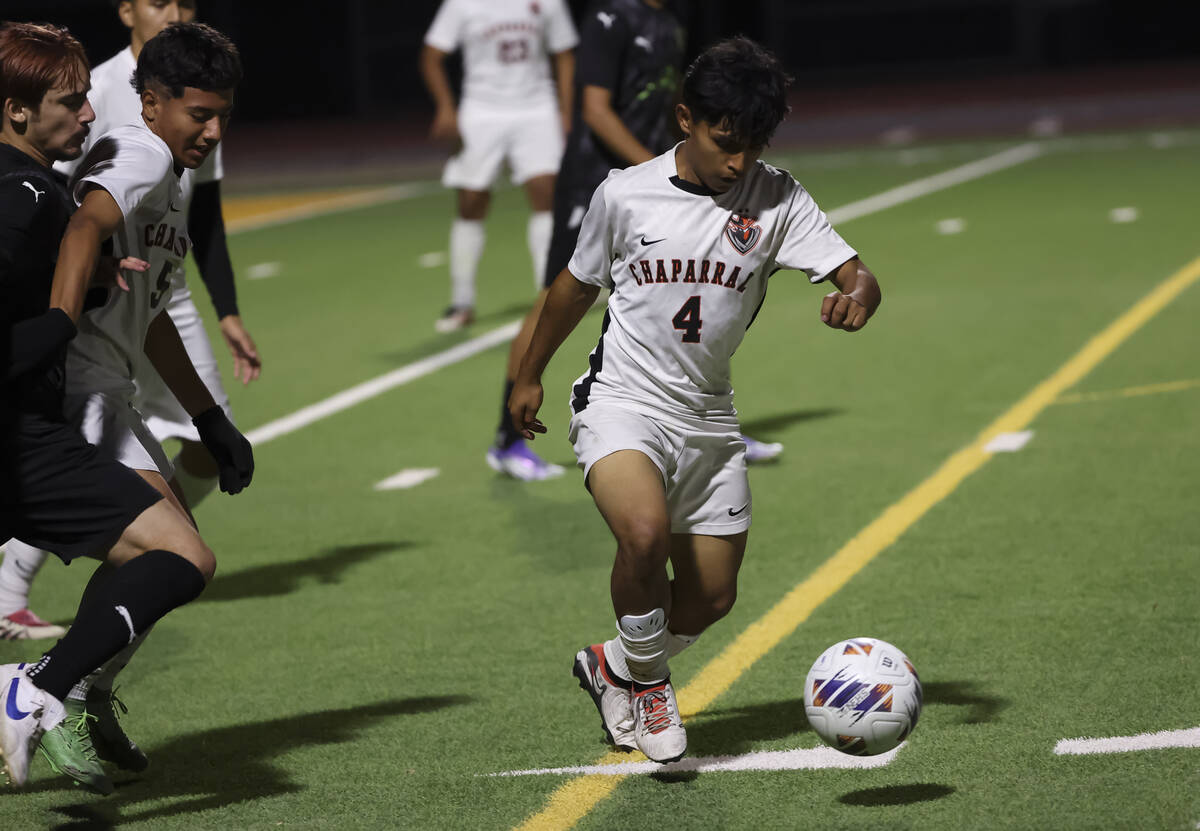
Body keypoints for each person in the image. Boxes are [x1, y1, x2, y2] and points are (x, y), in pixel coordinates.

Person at [508, 37, 882, 762]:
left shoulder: (777, 197)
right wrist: (529, 374)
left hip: (709, 416)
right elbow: (573, 287)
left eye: (754, 144)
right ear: (686, 118)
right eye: (725, 141)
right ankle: (649, 686)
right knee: (643, 535)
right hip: (622, 399)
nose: (738, 161)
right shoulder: (624, 192)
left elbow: (856, 274)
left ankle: (612, 662)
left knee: (712, 596)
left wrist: (858, 298)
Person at [0, 20, 251, 790]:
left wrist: (208, 417)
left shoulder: (165, 169)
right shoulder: (140, 153)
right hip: (79, 393)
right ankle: (46, 686)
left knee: (165, 554)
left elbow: (149, 312)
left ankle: (81, 689)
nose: (212, 131)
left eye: (222, 116)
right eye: (198, 115)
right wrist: (65, 320)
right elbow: (84, 225)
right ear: (152, 101)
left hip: (103, 386)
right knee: (177, 554)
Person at [485, 0, 782, 480]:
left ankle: (701, 423)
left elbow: (671, 109)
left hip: (649, 185)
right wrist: (657, 171)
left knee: (684, 293)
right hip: (591, 185)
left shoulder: (669, 20)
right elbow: (595, 112)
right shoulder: (609, 19)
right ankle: (507, 439)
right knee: (554, 298)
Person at [419, 0, 578, 332]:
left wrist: (565, 112)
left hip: (536, 107)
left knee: (545, 194)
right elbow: (431, 56)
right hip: (481, 109)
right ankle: (462, 302)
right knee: (471, 201)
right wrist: (446, 107)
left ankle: (546, 291)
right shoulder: (462, 4)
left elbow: (564, 53)